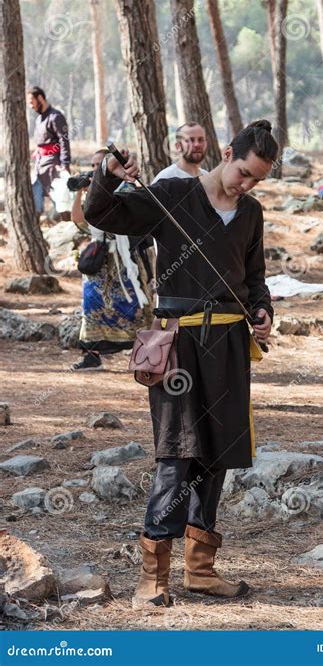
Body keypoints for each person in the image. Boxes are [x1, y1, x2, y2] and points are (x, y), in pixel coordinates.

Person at [84, 120, 277, 609]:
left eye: (257, 179)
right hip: (179, 345)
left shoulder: (250, 213)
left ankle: (201, 571)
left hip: (230, 345)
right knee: (177, 454)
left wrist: (263, 310)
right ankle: (152, 577)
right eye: (243, 172)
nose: (247, 184)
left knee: (217, 456)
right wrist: (108, 172)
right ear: (227, 152)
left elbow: (255, 278)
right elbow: (101, 211)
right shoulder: (171, 194)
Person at [71, 149, 154, 371]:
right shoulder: (91, 192)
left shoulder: (127, 188)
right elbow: (79, 221)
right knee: (92, 304)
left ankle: (146, 355)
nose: (96, 170)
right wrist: (80, 193)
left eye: (101, 164)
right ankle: (92, 354)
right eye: (94, 165)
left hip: (127, 259)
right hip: (100, 260)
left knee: (136, 305)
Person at [27, 86, 71, 219]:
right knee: (36, 199)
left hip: (54, 164)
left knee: (60, 200)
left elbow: (64, 141)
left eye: (31, 101)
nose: (30, 106)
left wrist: (65, 163)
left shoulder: (56, 117)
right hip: (40, 165)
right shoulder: (38, 119)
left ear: (40, 98)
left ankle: (70, 227)